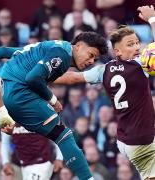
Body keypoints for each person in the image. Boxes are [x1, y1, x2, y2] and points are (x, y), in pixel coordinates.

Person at [0, 31, 108, 180]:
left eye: (95, 59)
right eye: (90, 55)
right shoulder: (62, 54)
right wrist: (52, 99)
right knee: (63, 136)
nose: (91, 61)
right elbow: (33, 78)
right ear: (78, 46)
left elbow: (3, 51)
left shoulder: (47, 46)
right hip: (18, 95)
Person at [54, 5, 155, 180]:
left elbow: (73, 78)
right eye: (130, 44)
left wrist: (45, 74)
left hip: (124, 138)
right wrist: (152, 19)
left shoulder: (104, 70)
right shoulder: (141, 65)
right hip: (141, 139)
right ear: (117, 51)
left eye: (137, 42)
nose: (137, 47)